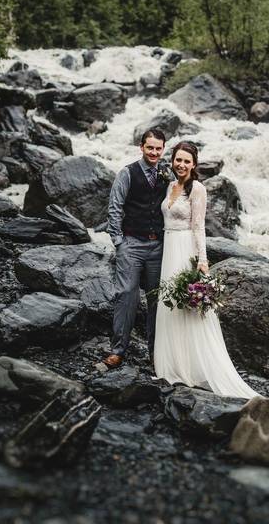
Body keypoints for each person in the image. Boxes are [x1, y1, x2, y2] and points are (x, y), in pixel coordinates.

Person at [153, 141, 260, 399]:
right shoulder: (169, 186)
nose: (181, 164)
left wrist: (202, 261)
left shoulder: (198, 189)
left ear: (194, 164)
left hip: (185, 248)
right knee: (170, 305)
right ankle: (172, 366)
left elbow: (199, 226)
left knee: (187, 305)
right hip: (168, 248)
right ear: (173, 160)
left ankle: (194, 367)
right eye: (178, 159)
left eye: (187, 161)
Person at [101, 129, 168, 369]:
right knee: (126, 295)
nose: (154, 152)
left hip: (158, 247)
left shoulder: (166, 173)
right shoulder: (127, 173)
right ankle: (118, 350)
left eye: (158, 148)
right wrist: (118, 242)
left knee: (157, 300)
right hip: (131, 244)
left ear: (163, 149)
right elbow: (115, 208)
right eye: (150, 148)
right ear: (141, 147)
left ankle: (156, 353)